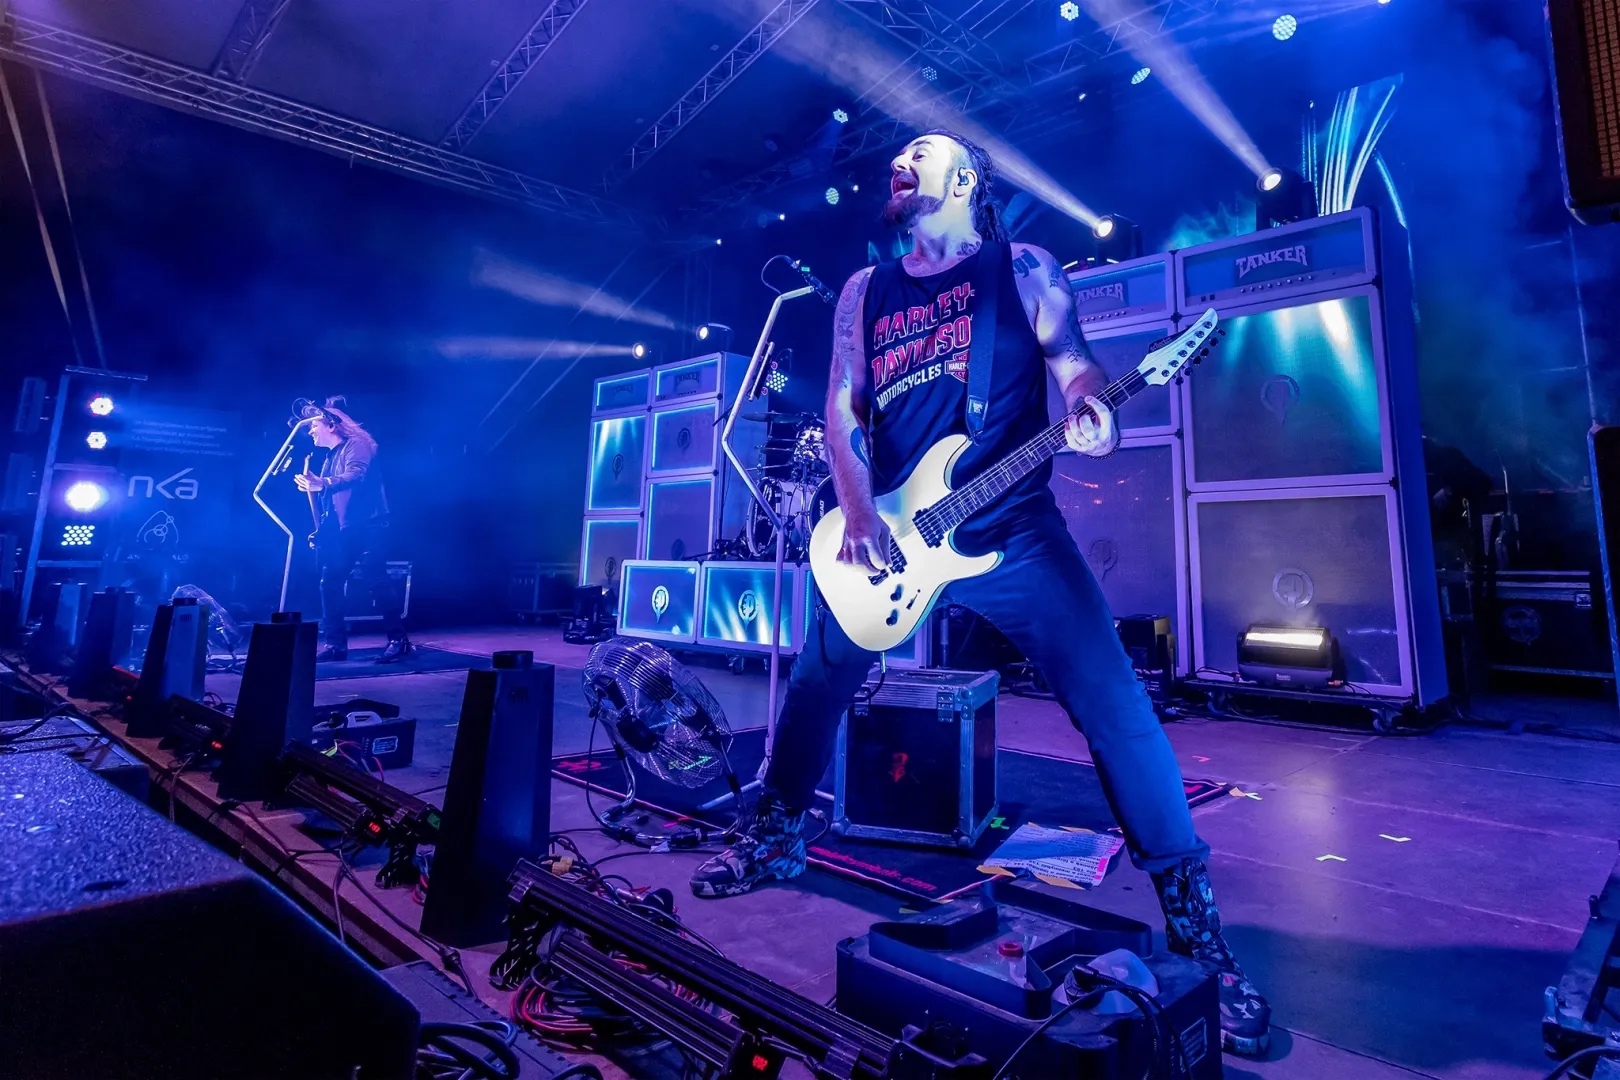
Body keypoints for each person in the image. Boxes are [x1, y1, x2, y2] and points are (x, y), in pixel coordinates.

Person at [688, 130, 1271, 1055]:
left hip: (1014, 533)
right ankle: (775, 837)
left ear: (963, 179)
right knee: (814, 684)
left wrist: (1092, 413)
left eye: (921, 152)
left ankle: (1201, 939)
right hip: (883, 536)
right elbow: (843, 408)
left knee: (1118, 709)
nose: (901, 162)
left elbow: (1072, 360)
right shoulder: (864, 292)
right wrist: (859, 513)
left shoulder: (1023, 266)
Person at [294, 399, 412, 663]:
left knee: (376, 579)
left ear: (332, 426)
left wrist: (322, 483)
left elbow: (356, 476)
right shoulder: (329, 457)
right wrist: (320, 527)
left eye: (314, 425)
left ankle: (399, 639)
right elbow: (329, 502)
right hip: (344, 530)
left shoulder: (357, 445)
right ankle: (335, 645)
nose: (310, 431)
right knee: (330, 582)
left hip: (369, 525)